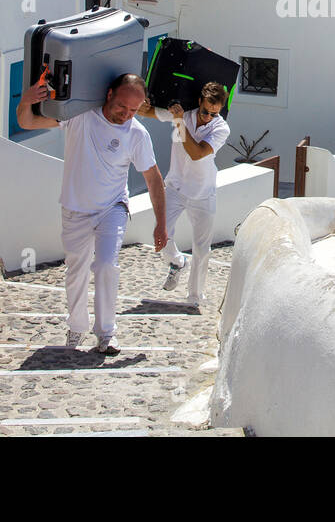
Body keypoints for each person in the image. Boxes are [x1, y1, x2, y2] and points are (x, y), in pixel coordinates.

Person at [16, 73, 169, 353]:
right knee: (76, 271)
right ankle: (76, 327)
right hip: (75, 209)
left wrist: (161, 224)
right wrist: (26, 101)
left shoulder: (137, 134)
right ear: (109, 94)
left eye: (134, 110)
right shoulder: (80, 116)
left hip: (112, 208)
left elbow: (153, 178)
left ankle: (107, 333)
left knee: (107, 265)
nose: (126, 114)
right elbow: (27, 122)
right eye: (122, 106)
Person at [137, 82, 231, 311]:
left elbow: (197, 153)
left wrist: (178, 122)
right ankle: (177, 262)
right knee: (161, 234)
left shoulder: (221, 128)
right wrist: (142, 104)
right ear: (199, 101)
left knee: (202, 248)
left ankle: (195, 296)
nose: (208, 117)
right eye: (205, 111)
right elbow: (147, 112)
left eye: (214, 113)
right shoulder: (184, 114)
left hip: (203, 193)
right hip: (176, 188)